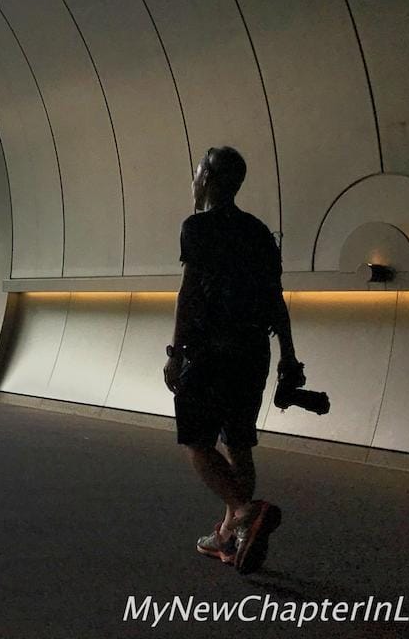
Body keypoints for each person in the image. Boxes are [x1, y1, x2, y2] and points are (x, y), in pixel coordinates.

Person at [162, 146, 302, 575]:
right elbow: (275, 301)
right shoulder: (260, 232)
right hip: (253, 352)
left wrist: (175, 352)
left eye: (197, 171)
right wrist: (288, 357)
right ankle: (228, 536)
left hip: (210, 351)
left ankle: (244, 511)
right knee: (238, 442)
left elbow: (190, 293)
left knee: (198, 442)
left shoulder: (198, 228)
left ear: (206, 178)